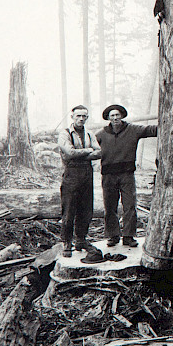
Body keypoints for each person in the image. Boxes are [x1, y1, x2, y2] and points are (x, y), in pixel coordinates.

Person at [96, 105, 157, 247]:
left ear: (122, 115)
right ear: (108, 118)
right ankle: (113, 235)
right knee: (110, 206)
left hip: (127, 174)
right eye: (112, 116)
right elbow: (88, 146)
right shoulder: (100, 134)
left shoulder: (133, 130)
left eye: (117, 115)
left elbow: (152, 130)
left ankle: (129, 236)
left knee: (129, 205)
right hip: (108, 175)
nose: (115, 118)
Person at [57, 105, 101, 257]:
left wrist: (82, 154)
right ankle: (67, 243)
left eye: (84, 116)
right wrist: (88, 151)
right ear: (72, 117)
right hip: (71, 174)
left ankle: (81, 240)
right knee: (69, 210)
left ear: (87, 118)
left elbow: (100, 152)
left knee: (86, 210)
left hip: (87, 174)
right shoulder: (65, 134)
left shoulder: (89, 134)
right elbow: (68, 153)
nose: (81, 119)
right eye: (78, 116)